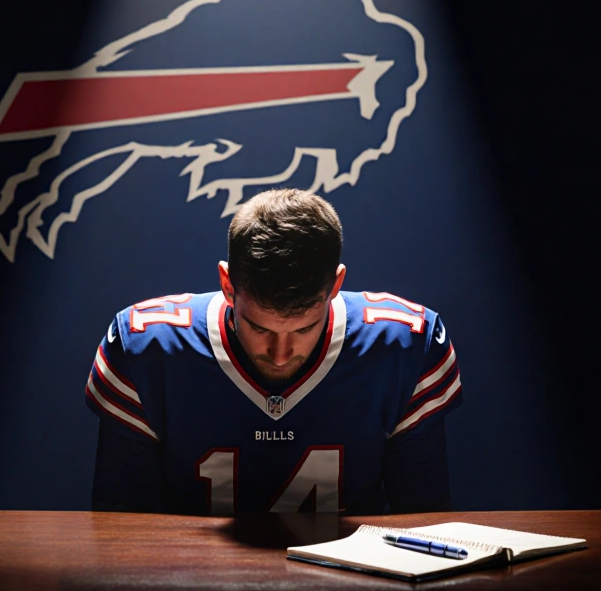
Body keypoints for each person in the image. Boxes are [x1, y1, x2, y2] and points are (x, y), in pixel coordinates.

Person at [84, 189, 462, 515]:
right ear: (227, 285)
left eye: (304, 328)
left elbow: (424, 528)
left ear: (335, 286)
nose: (280, 354)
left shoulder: (406, 346)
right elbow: (120, 535)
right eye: (259, 327)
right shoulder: (147, 348)